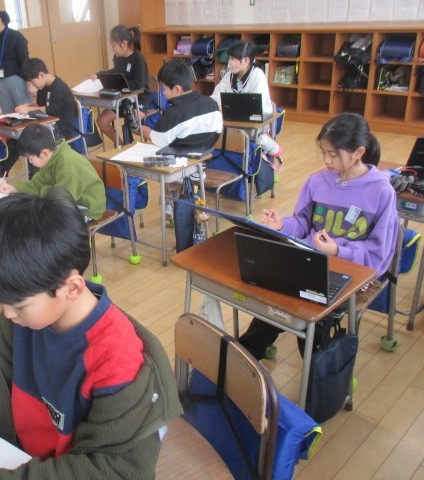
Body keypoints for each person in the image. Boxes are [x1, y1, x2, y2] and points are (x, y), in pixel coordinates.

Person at [0, 190, 181, 478]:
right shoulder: (21, 323)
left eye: (18, 305)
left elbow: (114, 469)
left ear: (72, 288)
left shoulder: (117, 361)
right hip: (24, 458)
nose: (7, 314)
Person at [238, 113, 399, 360]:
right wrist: (283, 225)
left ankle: (310, 370)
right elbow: (302, 224)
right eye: (323, 152)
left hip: (351, 271)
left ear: (358, 153)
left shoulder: (381, 191)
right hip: (309, 262)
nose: (326, 160)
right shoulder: (317, 181)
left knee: (309, 310)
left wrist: (338, 252)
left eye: (333, 154)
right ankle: (249, 359)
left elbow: (379, 254)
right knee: (278, 296)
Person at [145, 61, 223, 222]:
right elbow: (217, 132)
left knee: (154, 159)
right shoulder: (212, 104)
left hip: (178, 166)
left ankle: (169, 202)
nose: (163, 93)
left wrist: (142, 130)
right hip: (201, 162)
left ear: (177, 89)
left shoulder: (174, 112)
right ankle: (184, 200)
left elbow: (158, 140)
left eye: (164, 89)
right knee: (172, 156)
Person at [0, 124, 105, 221]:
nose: (29, 161)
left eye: (30, 158)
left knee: (42, 225)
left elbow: (61, 200)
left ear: (44, 153)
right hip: (66, 204)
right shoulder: (51, 159)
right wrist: (12, 188)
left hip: (88, 210)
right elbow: (36, 184)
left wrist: (45, 190)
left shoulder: (67, 166)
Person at [95, 25, 152, 145]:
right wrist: (98, 75)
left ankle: (161, 141)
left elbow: (139, 84)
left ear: (124, 44)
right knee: (101, 121)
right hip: (122, 99)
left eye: (113, 45)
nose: (113, 49)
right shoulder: (118, 58)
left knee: (133, 125)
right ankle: (121, 146)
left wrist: (120, 83)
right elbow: (115, 72)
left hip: (139, 98)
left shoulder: (138, 59)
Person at [0, 6, 30, 115]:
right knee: (8, 115)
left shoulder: (16, 36)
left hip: (17, 78)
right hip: (1, 81)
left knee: (24, 113)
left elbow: (25, 62)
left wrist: (30, 83)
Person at [18, 58, 76, 141]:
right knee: (17, 140)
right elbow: (40, 105)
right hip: (47, 125)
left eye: (33, 82)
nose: (33, 86)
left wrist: (28, 109)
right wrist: (27, 106)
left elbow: (50, 110)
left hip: (61, 130)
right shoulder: (43, 87)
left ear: (41, 75)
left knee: (30, 141)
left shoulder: (60, 88)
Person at [210, 40, 273, 116]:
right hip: (233, 118)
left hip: (256, 120)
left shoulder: (258, 76)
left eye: (232, 58)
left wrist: (229, 108)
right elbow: (215, 98)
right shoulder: (229, 75)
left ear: (245, 61)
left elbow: (256, 106)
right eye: (229, 58)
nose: (229, 62)